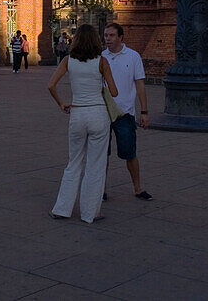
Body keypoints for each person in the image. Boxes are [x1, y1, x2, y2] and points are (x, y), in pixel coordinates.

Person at [48, 23, 118, 224]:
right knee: (96, 164)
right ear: (97, 40)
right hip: (98, 113)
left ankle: (62, 208)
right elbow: (114, 92)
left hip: (77, 113)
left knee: (74, 162)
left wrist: (62, 103)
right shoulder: (102, 61)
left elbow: (50, 85)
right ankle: (91, 212)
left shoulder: (68, 61)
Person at [101, 22, 151, 201]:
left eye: (112, 35)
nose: (108, 39)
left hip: (125, 113)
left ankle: (137, 188)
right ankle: (101, 189)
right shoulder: (101, 57)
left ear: (121, 38)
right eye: (106, 35)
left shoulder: (133, 56)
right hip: (104, 112)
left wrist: (144, 111)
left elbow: (139, 83)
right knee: (101, 154)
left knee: (129, 153)